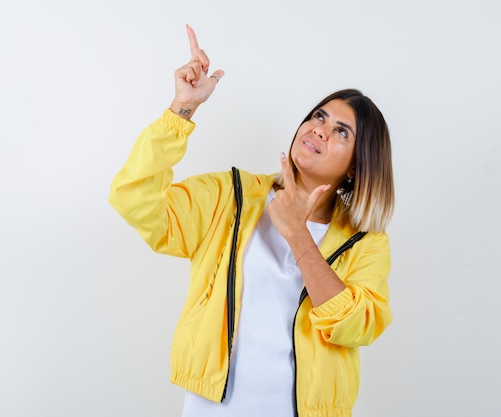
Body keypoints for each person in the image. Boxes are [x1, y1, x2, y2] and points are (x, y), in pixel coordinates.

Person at [109, 25, 394, 417]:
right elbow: (134, 197)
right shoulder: (232, 197)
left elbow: (356, 326)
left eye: (340, 131)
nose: (319, 130)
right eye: (319, 116)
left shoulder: (366, 242)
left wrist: (298, 235)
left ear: (356, 166)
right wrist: (182, 110)